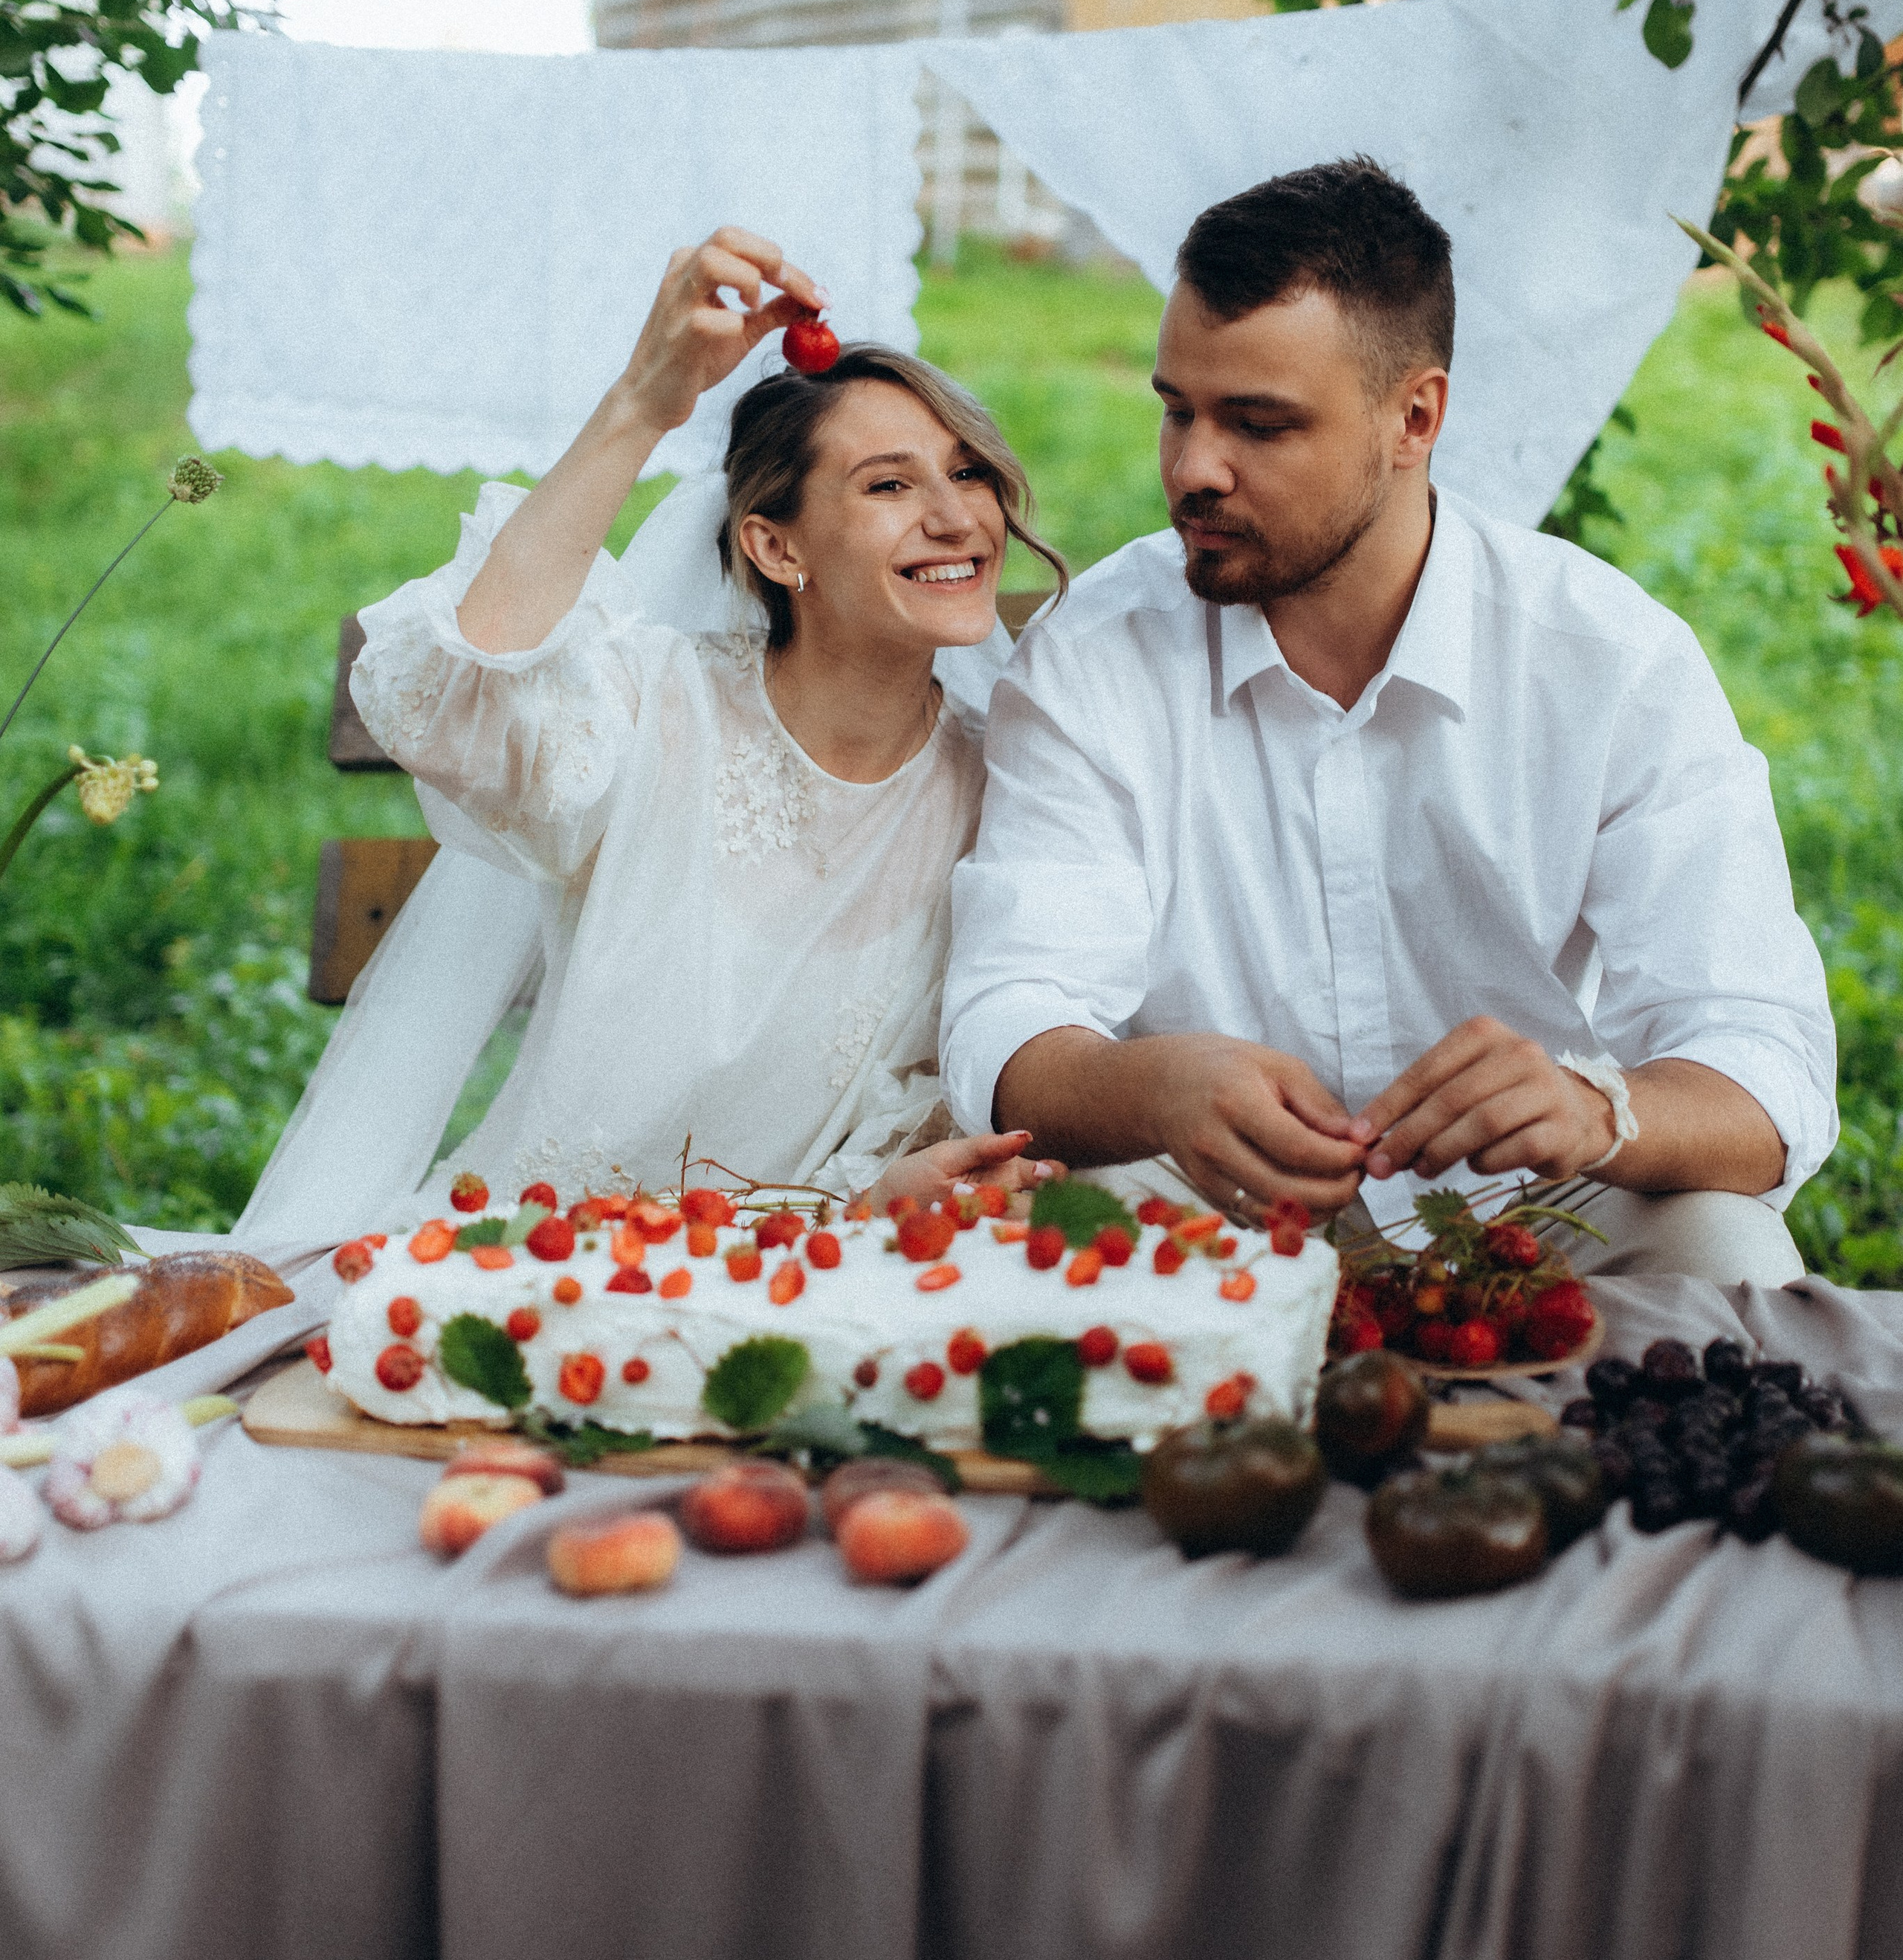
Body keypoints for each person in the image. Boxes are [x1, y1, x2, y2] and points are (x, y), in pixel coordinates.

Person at [940, 158, 1837, 1284]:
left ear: (1414, 416)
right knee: (1026, 1249)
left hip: (1542, 1215)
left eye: (1259, 424)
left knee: (1734, 1255)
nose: (1192, 469)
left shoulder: (1608, 661)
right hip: (1212, 1215)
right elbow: (1009, 1015)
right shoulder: (1092, 657)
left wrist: (1596, 1111)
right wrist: (1160, 1085)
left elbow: (1766, 1066)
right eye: (1178, 411)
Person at [346, 226, 1066, 1216]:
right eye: (891, 484)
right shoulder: (654, 709)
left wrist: (885, 1197)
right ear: (775, 547)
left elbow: (927, 1117)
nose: (958, 519)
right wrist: (646, 399)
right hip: (534, 1267)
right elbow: (459, 700)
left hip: (807, 1295)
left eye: (969, 472)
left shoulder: (1005, 790)